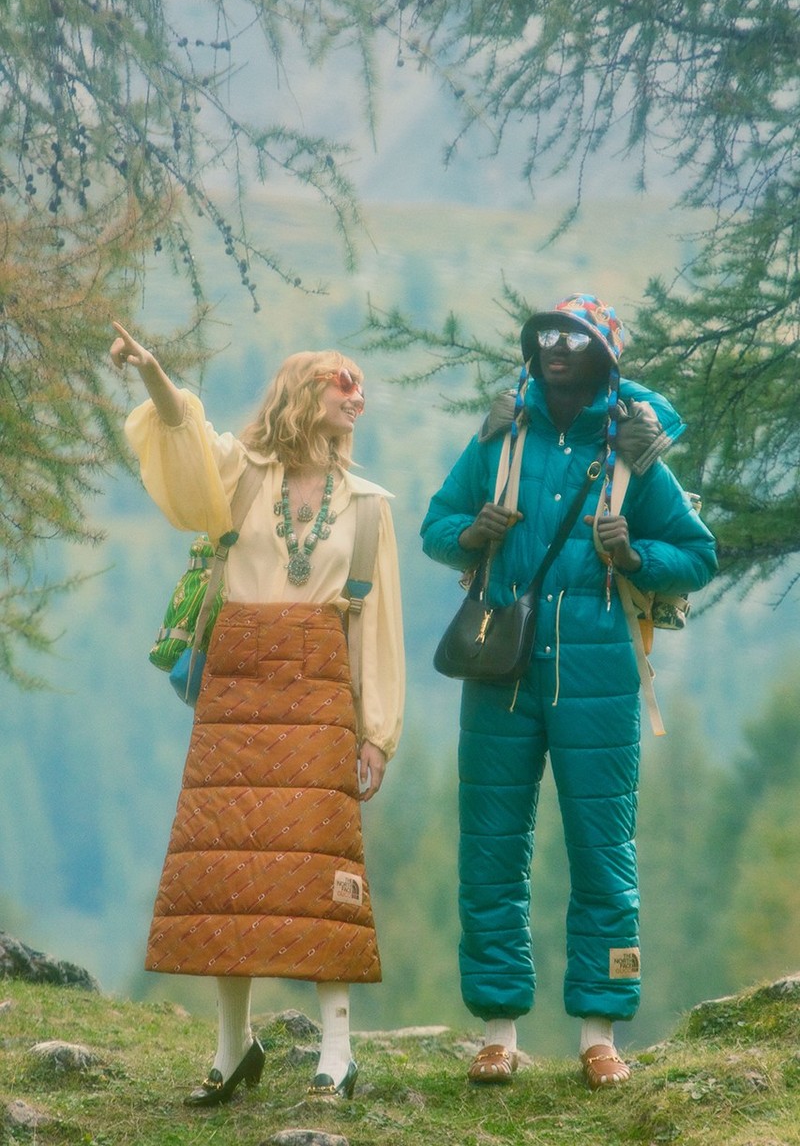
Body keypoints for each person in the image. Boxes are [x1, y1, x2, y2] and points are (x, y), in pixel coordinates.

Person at [420, 293, 717, 1089]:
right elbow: (435, 526)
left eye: (575, 338)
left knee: (601, 854)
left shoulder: (633, 452)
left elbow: (697, 554)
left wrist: (635, 556)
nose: (556, 347)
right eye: (546, 335)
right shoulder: (501, 436)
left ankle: (599, 1034)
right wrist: (472, 534)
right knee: (490, 852)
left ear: (603, 356)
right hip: (500, 673)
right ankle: (497, 1033)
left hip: (601, 679)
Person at [110, 323, 404, 1104]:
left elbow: (377, 628)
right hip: (237, 688)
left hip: (319, 693)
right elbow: (184, 431)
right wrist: (152, 373)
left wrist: (376, 733)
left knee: (322, 868)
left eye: (361, 385)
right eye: (343, 381)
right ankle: (231, 1047)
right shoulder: (240, 475)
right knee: (226, 864)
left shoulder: (369, 508)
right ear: (302, 394)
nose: (358, 395)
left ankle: (336, 1052)